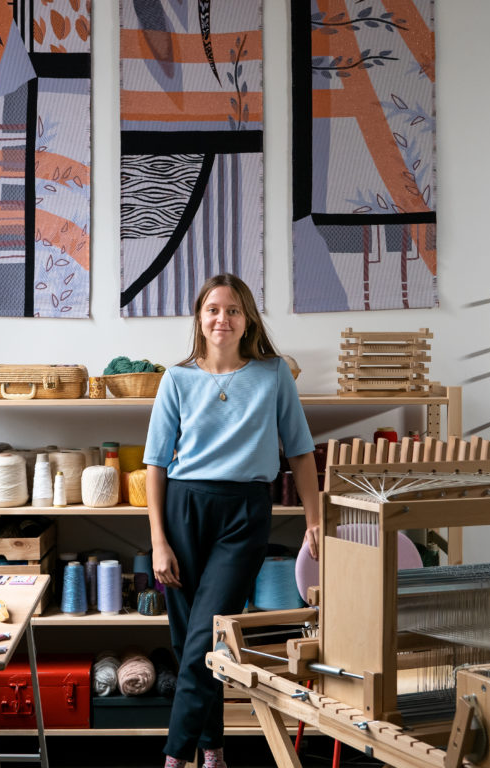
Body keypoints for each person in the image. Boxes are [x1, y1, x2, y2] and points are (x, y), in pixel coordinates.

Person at [143, 273, 320, 768]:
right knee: (191, 641)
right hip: (183, 509)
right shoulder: (176, 379)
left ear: (248, 322)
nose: (223, 318)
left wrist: (314, 519)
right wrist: (159, 540)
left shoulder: (272, 374)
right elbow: (155, 465)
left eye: (234, 310)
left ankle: (174, 756)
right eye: (213, 309)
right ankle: (212, 749)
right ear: (200, 320)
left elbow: (302, 453)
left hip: (245, 512)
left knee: (205, 634)